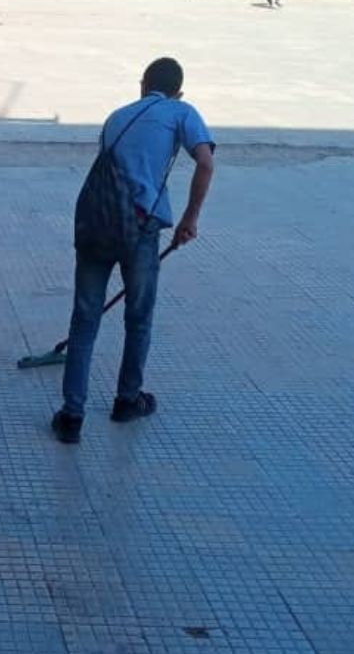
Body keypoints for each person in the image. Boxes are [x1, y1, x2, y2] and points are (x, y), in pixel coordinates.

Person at [52, 58, 216, 444]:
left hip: (96, 224)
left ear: (142, 84)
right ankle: (127, 400)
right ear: (179, 91)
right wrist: (190, 218)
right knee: (138, 318)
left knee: (85, 319)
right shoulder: (182, 112)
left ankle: (71, 416)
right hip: (140, 230)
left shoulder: (116, 116)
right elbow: (205, 163)